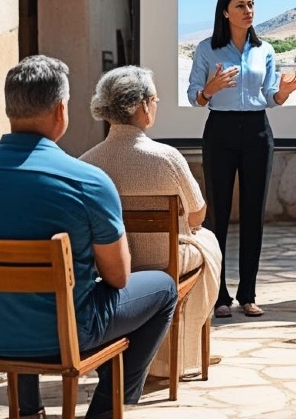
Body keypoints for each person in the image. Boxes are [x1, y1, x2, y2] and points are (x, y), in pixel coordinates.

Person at [0, 55, 178, 419]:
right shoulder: (86, 181)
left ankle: (28, 410)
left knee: (18, 292)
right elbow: (117, 277)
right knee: (164, 288)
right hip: (67, 336)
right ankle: (106, 409)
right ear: (60, 110)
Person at [81, 66, 223, 380]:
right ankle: (181, 354)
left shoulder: (86, 162)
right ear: (143, 105)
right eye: (155, 99)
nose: (156, 105)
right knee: (209, 243)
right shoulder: (165, 157)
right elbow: (197, 214)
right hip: (164, 261)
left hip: (110, 267)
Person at [187, 0, 296, 318]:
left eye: (251, 4)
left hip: (257, 131)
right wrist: (208, 90)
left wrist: (283, 93)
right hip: (220, 131)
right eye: (240, 5)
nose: (248, 10)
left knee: (254, 213)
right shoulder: (207, 49)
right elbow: (193, 94)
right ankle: (219, 295)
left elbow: (270, 96)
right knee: (219, 215)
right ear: (225, 12)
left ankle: (248, 293)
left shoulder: (264, 49)